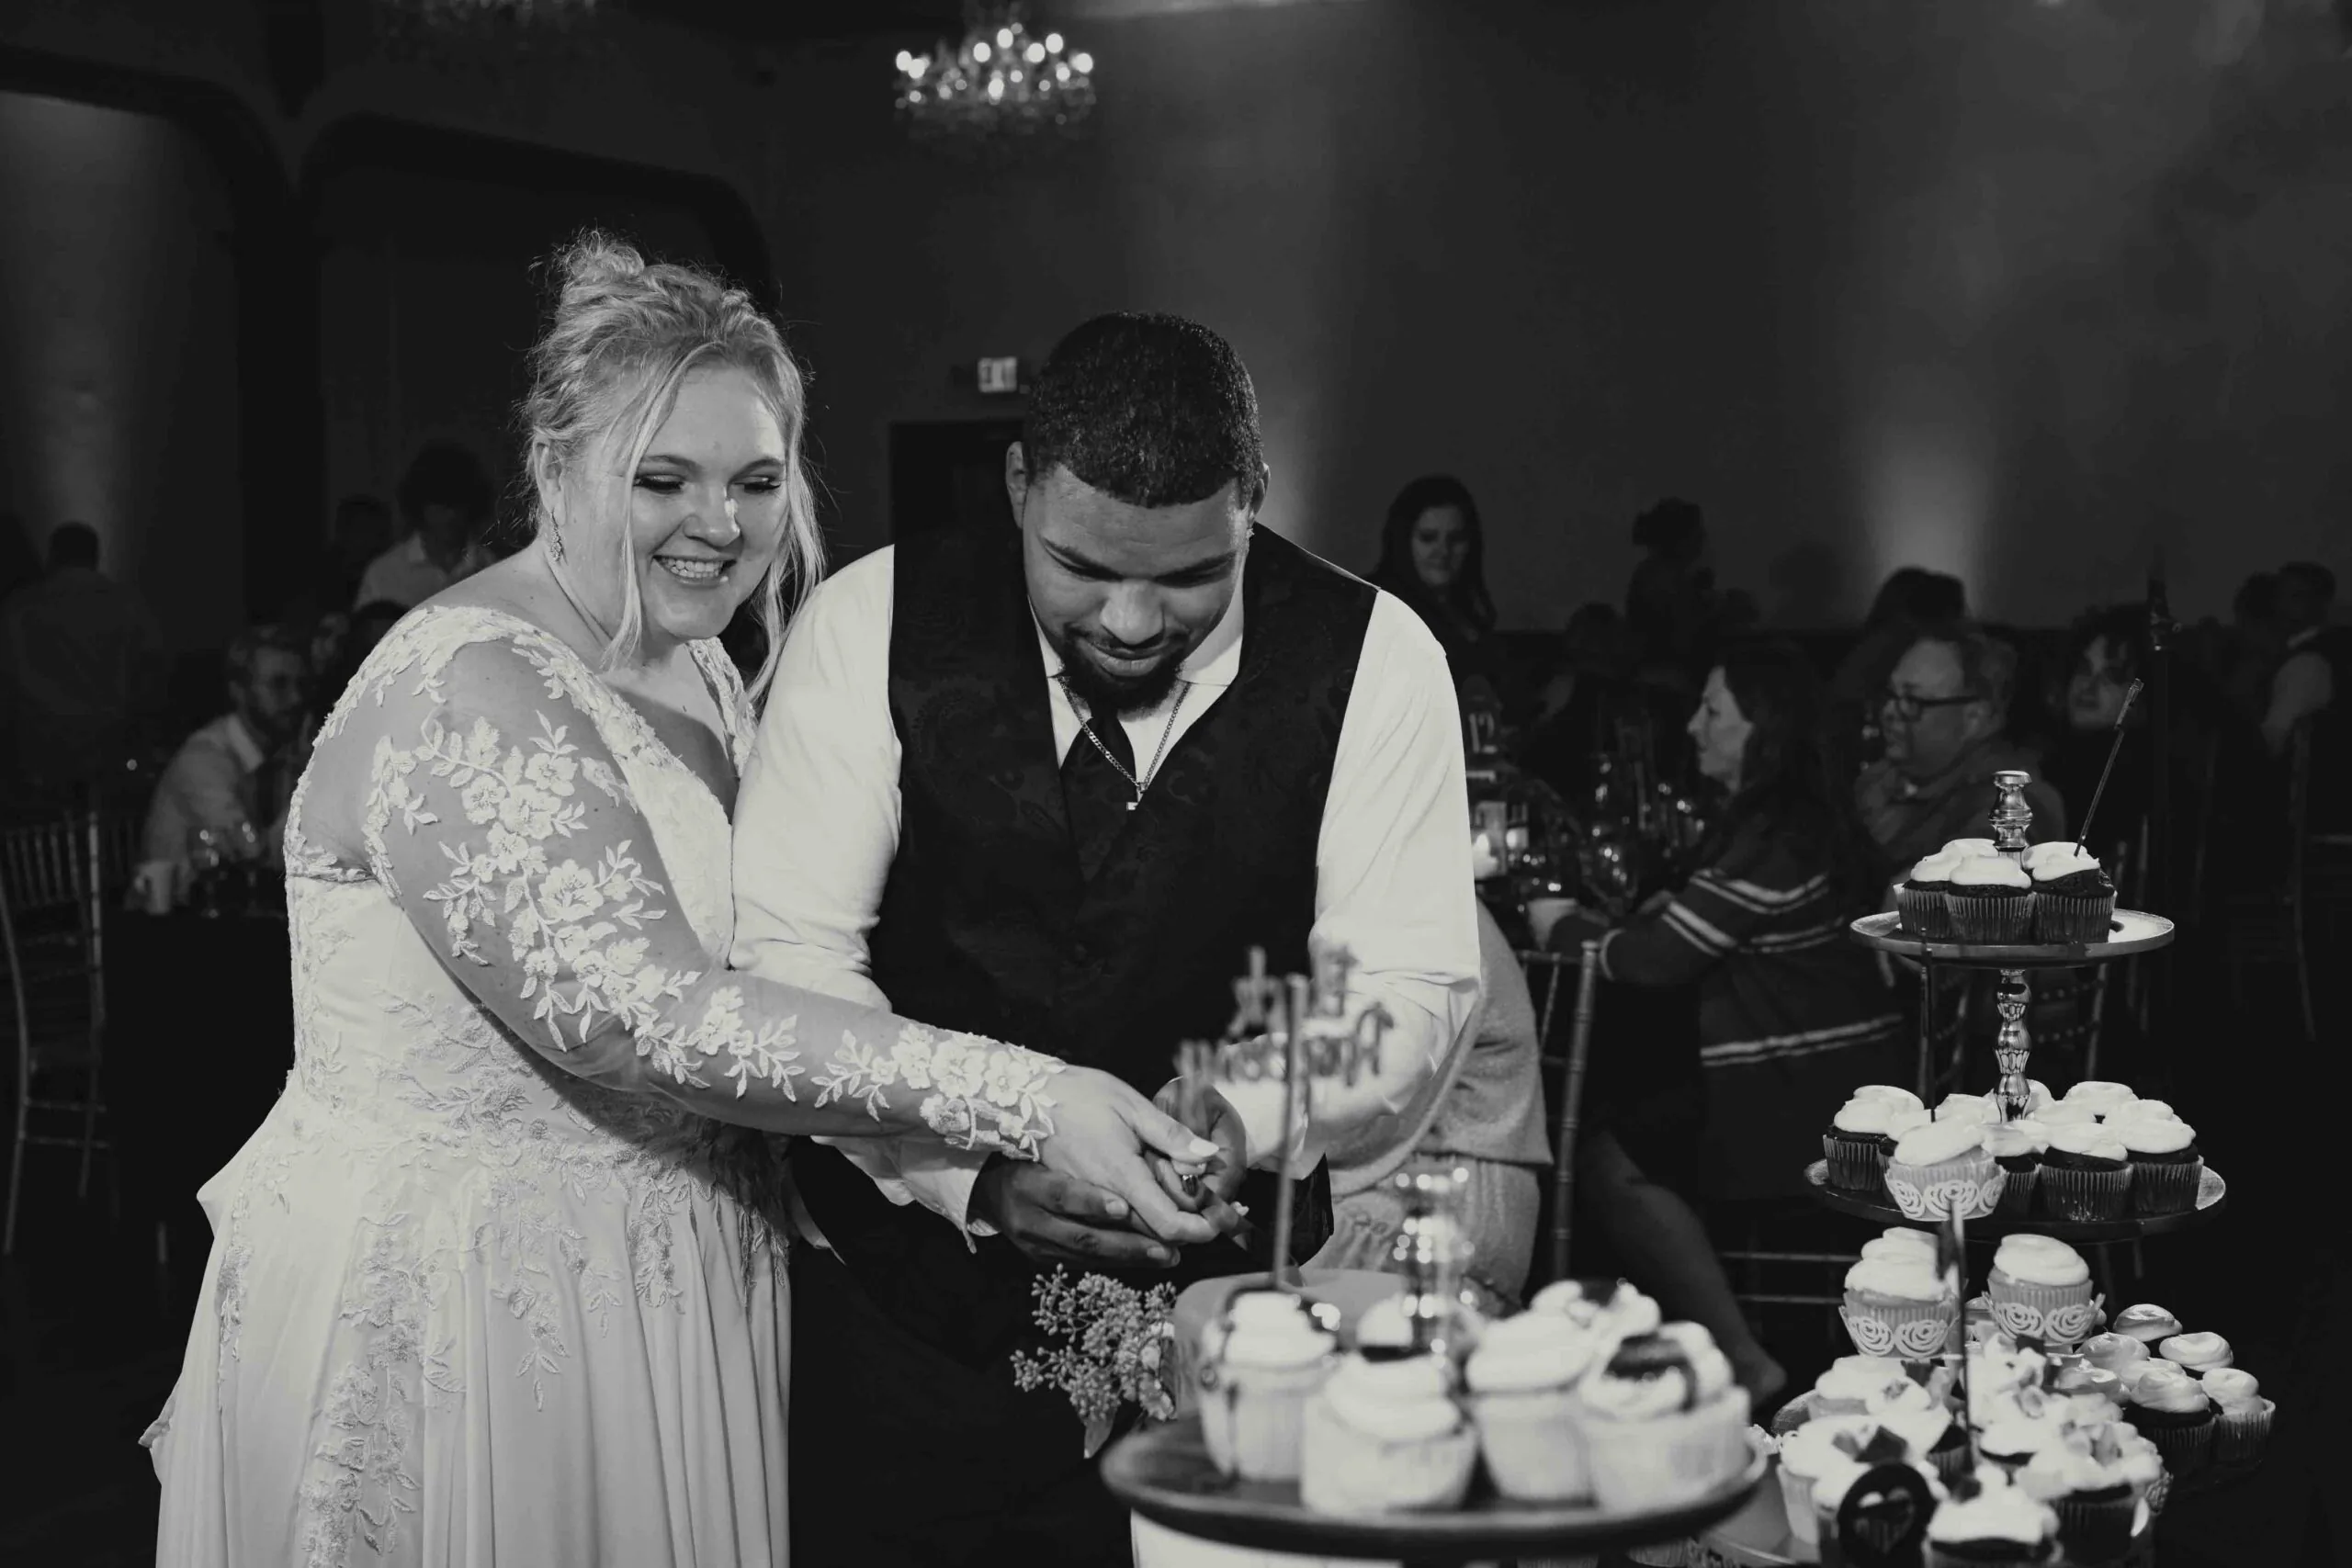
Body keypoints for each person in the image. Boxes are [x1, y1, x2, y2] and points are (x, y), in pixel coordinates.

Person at [142, 235, 1216, 1567]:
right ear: (557, 464)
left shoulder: (694, 664)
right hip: (481, 1301)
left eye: (757, 481)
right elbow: (651, 1020)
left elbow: (779, 978)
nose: (722, 523)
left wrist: (975, 1177)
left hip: (680, 1270)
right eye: (665, 479)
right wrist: (1027, 1093)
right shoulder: (468, 681)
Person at [732, 310, 1479, 1567]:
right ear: (1019, 484)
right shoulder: (869, 624)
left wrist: (1240, 1109)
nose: (1131, 620)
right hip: (905, 1328)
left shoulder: (1379, 659)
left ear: (1253, 499)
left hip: (1237, 1340)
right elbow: (790, 963)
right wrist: (973, 1168)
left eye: (1188, 577)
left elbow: (1402, 985)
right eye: (1080, 566)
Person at [1547, 642, 1901, 1388]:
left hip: (1809, 1099)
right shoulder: (1792, 823)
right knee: (1628, 1113)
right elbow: (1701, 928)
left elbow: (1655, 962)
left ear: (1763, 727)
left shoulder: (1777, 835)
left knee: (1605, 1158)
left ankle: (1746, 1362)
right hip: (1833, 1073)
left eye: (1713, 711)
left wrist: (1559, 925)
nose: (1693, 727)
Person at [1311, 899, 1548, 1310]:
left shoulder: (1431, 919)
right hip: (1381, 1179)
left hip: (1444, 1206)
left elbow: (1367, 1118)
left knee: (1229, 1265)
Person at [1854, 621, 2067, 876]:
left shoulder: (2014, 804)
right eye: (1890, 694)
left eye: (1912, 700)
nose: (1889, 711)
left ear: (1974, 717)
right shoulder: (1875, 782)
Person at [133, 624, 311, 908]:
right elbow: (255, 857)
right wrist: (310, 783)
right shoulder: (203, 760)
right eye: (279, 684)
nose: (296, 698)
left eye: (300, 685)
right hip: (170, 923)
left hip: (232, 914)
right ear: (238, 690)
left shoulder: (283, 753)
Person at [0, 521, 165, 801]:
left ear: (53, 555)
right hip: (110, 746)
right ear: (95, 555)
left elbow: (7, 680)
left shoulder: (19, 608)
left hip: (40, 749)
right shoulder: (128, 605)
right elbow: (152, 675)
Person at [1365, 473, 1520, 717]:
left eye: (1456, 539)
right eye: (1428, 538)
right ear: (1404, 540)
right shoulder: (1375, 607)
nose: (1443, 551)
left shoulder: (1468, 613)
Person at [351, 443, 497, 609]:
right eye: (440, 504)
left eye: (458, 505)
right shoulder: (384, 572)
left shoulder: (491, 567)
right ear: (419, 506)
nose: (450, 515)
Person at [2262, 561, 2345, 755]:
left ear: (2322, 604)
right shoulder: (2300, 654)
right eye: (2278, 596)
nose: (2281, 606)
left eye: (2296, 597)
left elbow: (2271, 741)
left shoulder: (2306, 663)